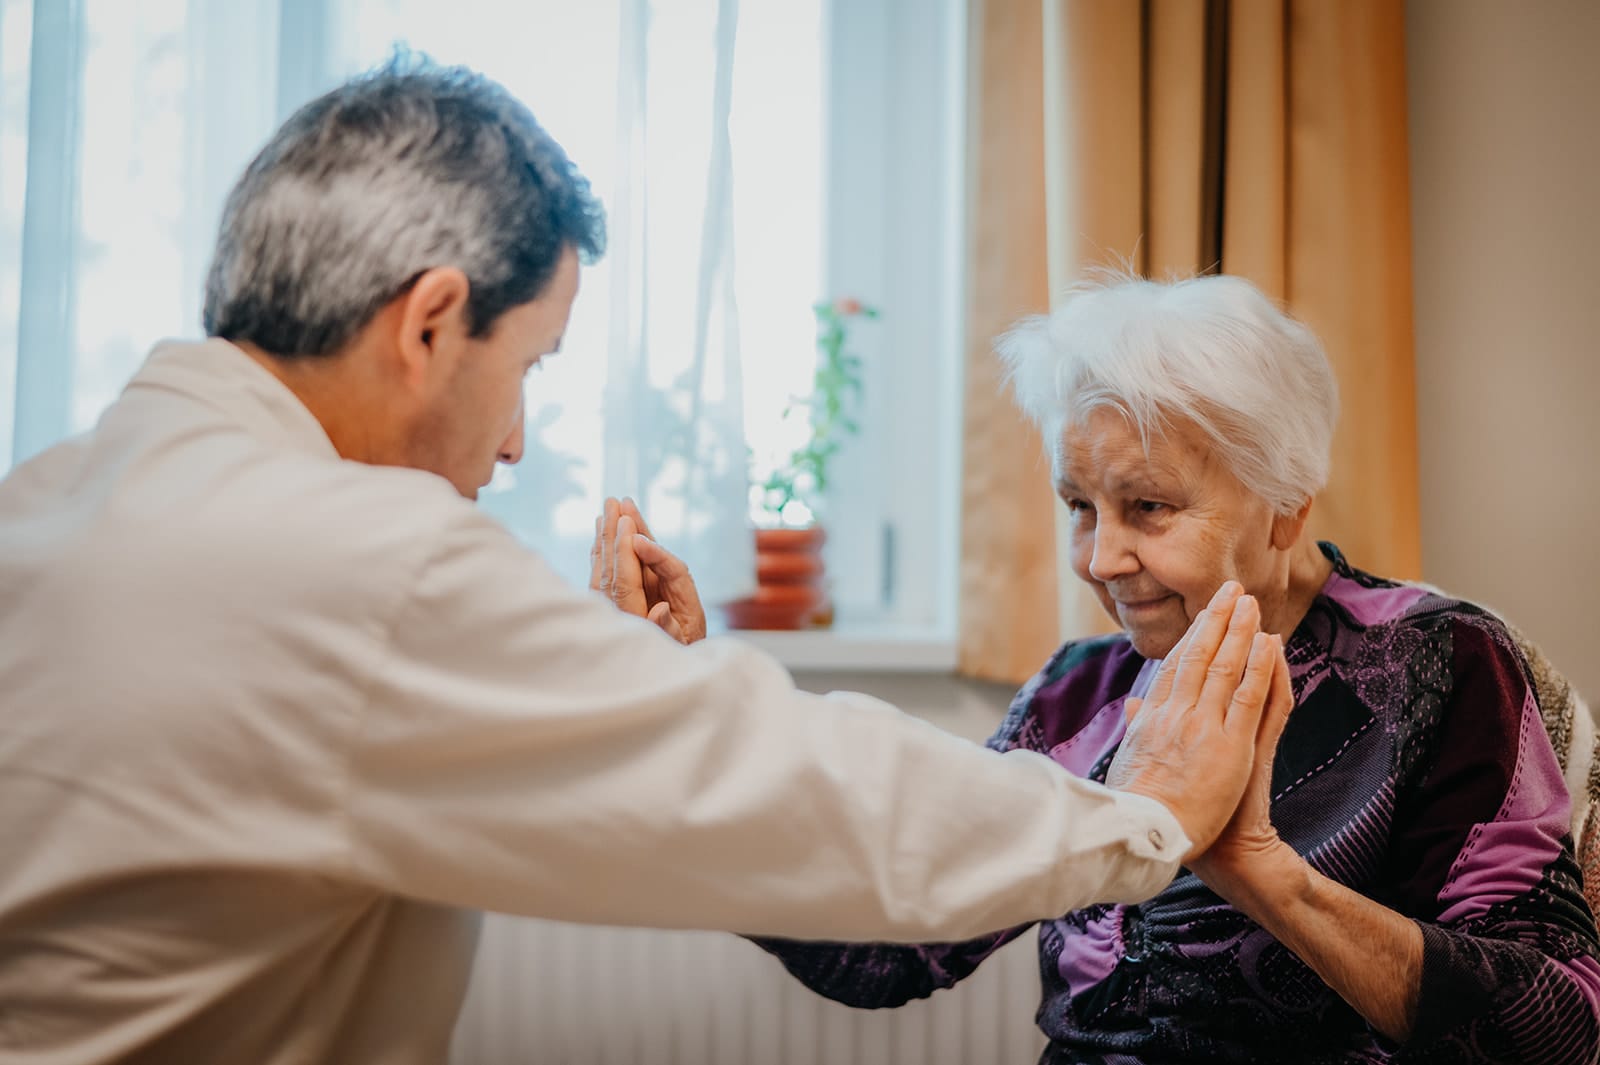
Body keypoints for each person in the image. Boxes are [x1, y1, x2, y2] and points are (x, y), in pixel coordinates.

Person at [0, 59, 1280, 1064]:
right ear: (430, 324)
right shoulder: (354, 562)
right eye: (528, 371)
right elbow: (789, 785)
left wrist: (622, 675)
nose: (510, 446)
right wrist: (1142, 816)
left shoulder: (50, 499)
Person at [756, 273, 1600, 1063]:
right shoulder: (1080, 692)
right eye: (1080, 507)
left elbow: (1558, 1026)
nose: (1099, 558)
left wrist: (1259, 870)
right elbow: (887, 951)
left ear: (1284, 502)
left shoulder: (1438, 663)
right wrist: (694, 729)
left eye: (1149, 506)